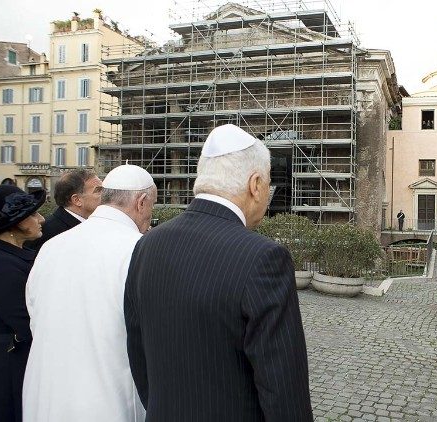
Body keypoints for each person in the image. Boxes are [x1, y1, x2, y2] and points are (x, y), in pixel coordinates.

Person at [124, 124, 312, 421]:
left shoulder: (147, 244)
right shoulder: (263, 258)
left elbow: (138, 355)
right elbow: (283, 388)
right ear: (255, 185)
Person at [22, 165, 156, 422]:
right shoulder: (139, 249)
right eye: (152, 205)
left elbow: (34, 315)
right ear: (141, 202)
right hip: (108, 403)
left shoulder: (51, 247)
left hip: (46, 399)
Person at [0, 185, 45, 422]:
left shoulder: (7, 256)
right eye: (33, 214)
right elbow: (30, 322)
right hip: (10, 369)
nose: (41, 218)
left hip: (18, 361)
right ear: (16, 222)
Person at [25, 169, 102, 251]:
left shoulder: (94, 224)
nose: (105, 195)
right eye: (98, 190)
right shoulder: (47, 234)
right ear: (77, 200)